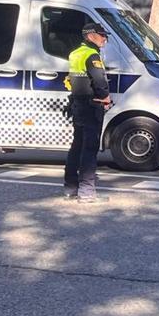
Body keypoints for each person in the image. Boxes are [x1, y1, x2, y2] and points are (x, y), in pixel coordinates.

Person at [64, 23, 112, 203]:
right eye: (102, 35)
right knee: (90, 148)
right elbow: (99, 81)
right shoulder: (92, 55)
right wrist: (105, 97)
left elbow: (72, 79)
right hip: (92, 105)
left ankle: (70, 188)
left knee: (77, 145)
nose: (104, 38)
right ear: (91, 36)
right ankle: (86, 192)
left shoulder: (75, 53)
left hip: (78, 104)